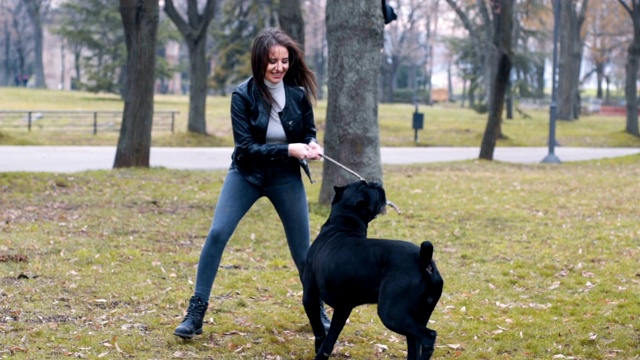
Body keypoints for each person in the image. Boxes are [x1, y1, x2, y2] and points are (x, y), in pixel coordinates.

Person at [174, 27, 330, 339]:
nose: (279, 67)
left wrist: (312, 145)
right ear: (259, 61)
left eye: (284, 61)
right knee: (217, 234)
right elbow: (245, 149)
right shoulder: (242, 95)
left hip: (285, 178)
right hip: (246, 175)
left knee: (303, 253)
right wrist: (288, 149)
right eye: (272, 61)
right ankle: (196, 313)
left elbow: (308, 130)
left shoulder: (298, 95)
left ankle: (319, 314)